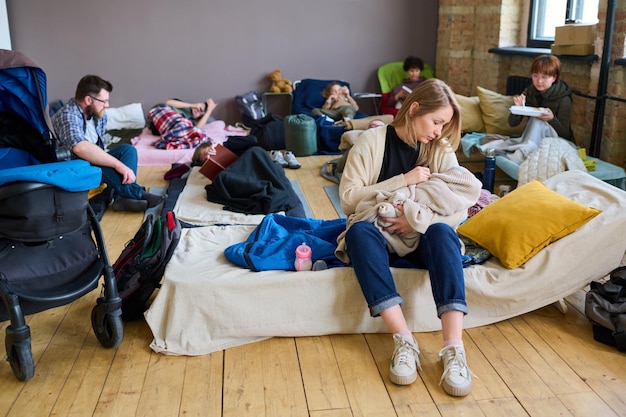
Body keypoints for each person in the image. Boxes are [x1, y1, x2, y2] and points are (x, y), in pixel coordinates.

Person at [335, 78, 482, 396]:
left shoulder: (439, 149)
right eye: (436, 121)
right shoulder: (372, 141)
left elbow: (458, 204)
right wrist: (403, 181)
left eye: (443, 124)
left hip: (421, 238)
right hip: (380, 236)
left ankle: (454, 349)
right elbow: (348, 199)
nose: (438, 131)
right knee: (358, 232)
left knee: (444, 232)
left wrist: (417, 221)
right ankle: (404, 341)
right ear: (414, 109)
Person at [52, 74, 166, 212]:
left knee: (128, 150)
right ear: (88, 100)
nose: (107, 105)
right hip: (73, 165)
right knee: (104, 165)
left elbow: (98, 148)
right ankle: (138, 193)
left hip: (91, 159)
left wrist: (114, 162)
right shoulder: (68, 116)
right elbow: (80, 148)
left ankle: (121, 198)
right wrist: (118, 165)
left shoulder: (98, 115)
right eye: (103, 101)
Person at [509, 54, 573, 141]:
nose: (539, 81)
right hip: (534, 137)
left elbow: (565, 133)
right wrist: (518, 109)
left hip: (556, 141)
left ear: (554, 78)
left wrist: (552, 119)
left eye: (544, 77)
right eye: (535, 76)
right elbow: (512, 123)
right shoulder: (529, 91)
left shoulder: (563, 98)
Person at [147, 98, 219, 149]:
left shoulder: (191, 122)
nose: (198, 111)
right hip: (161, 112)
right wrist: (193, 105)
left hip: (169, 128)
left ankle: (171, 139)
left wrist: (209, 111)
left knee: (191, 130)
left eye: (201, 113)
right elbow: (168, 102)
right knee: (182, 124)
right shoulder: (183, 106)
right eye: (200, 108)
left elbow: (197, 129)